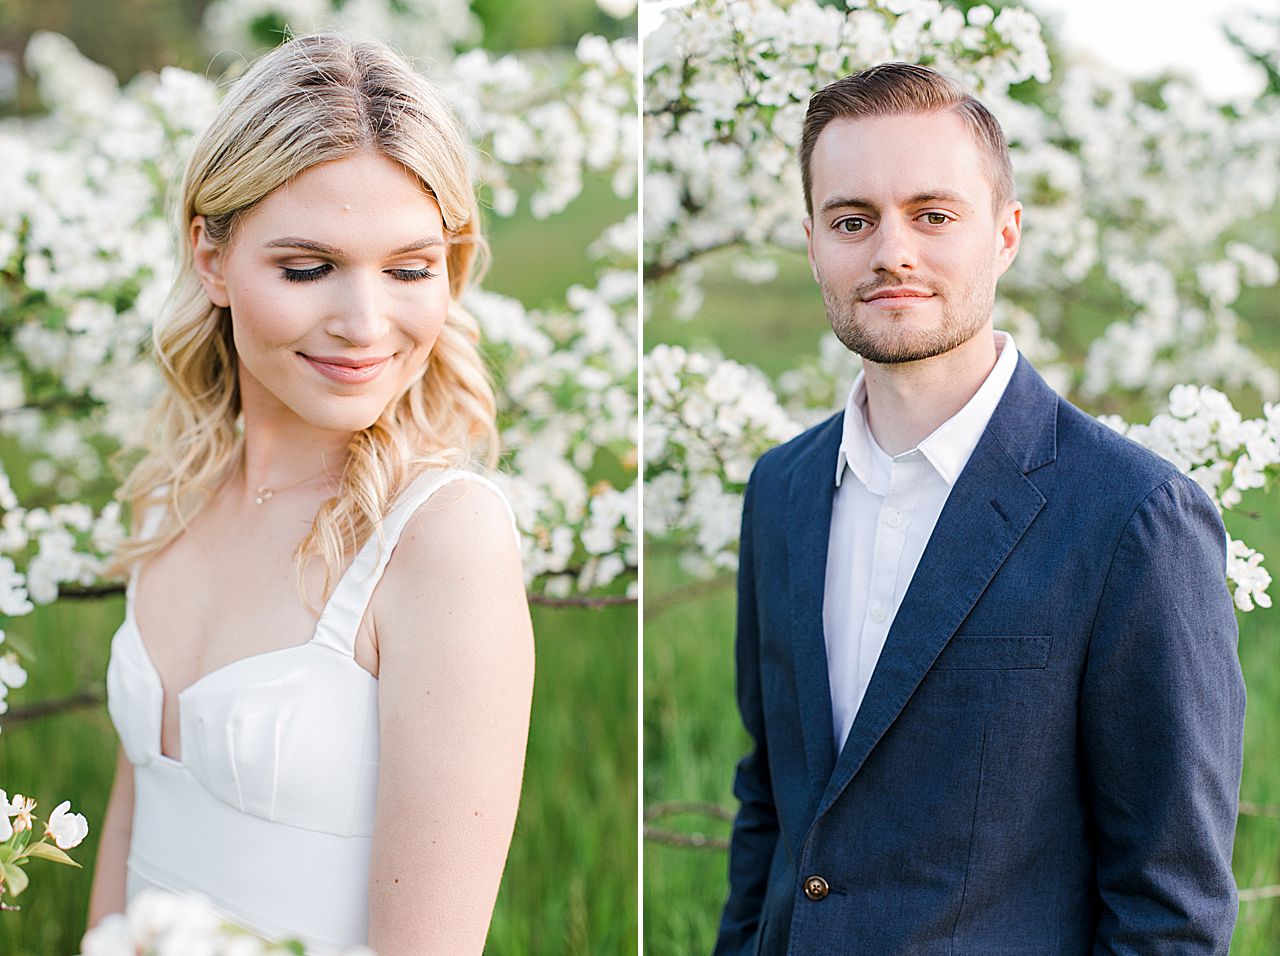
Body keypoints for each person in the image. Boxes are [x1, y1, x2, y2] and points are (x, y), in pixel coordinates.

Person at [714, 62, 1245, 955]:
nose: (892, 251)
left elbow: (1173, 908)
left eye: (933, 215)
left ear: (1004, 235)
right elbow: (770, 802)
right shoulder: (782, 489)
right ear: (812, 244)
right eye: (853, 220)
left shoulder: (1137, 519)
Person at [86, 34, 534, 956]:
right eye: (307, 268)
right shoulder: (171, 494)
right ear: (210, 255)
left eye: (409, 270)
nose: (365, 324)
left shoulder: (442, 541)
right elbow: (133, 831)